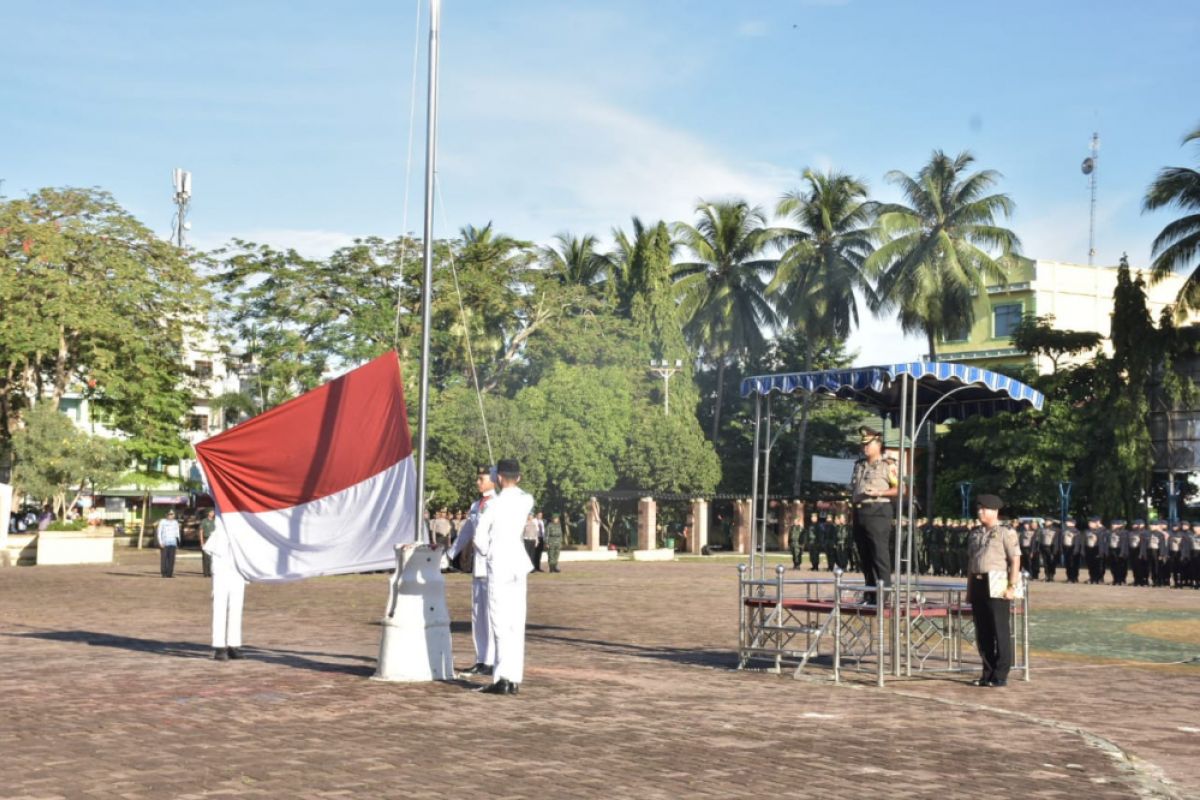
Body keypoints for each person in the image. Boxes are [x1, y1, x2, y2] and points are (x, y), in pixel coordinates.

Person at [473, 458, 535, 695]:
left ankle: (502, 679)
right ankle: (513, 677)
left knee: (499, 622)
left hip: (499, 562)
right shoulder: (526, 500)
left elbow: (479, 537)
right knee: (516, 622)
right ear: (518, 477)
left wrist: (489, 554)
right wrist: (498, 474)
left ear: (498, 478)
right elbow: (513, 488)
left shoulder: (494, 505)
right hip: (517, 563)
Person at [447, 465, 498, 676]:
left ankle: (494, 660)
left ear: (493, 481)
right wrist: (449, 554)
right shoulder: (476, 505)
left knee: (491, 614)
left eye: (481, 478)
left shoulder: (498, 504)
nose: (477, 482)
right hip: (478, 567)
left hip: (493, 565)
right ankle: (481, 658)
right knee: (478, 615)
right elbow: (467, 532)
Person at [966, 494, 1021, 688]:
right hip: (979, 583)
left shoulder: (1006, 532)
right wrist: (969, 590)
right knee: (983, 633)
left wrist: (1012, 586)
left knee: (1000, 630)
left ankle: (1000, 674)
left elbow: (1015, 560)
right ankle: (987, 673)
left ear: (994, 511)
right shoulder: (975, 533)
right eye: (979, 508)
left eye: (984, 509)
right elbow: (971, 563)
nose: (980, 512)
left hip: (997, 582)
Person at [849, 427, 898, 604]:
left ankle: (883, 595)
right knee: (864, 555)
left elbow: (900, 489)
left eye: (868, 445)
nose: (865, 448)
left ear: (878, 444)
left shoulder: (888, 465)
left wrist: (878, 492)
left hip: (878, 511)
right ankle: (870, 593)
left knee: (879, 555)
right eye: (863, 445)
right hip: (860, 511)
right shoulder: (859, 465)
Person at [203, 515, 246, 661]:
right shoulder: (219, 534)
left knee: (236, 608)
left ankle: (234, 644)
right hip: (221, 573)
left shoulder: (242, 533)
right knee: (219, 608)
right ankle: (219, 646)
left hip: (238, 573)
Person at [156, 510, 180, 578]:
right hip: (165, 542)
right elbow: (159, 532)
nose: (171, 515)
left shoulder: (175, 522)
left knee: (171, 559)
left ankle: (170, 573)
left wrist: (178, 543)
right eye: (169, 514)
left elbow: (177, 533)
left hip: (173, 542)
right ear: (166, 515)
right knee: (164, 559)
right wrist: (160, 542)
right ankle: (164, 573)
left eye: (172, 514)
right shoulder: (162, 522)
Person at [1061, 519, 1083, 583]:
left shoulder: (1076, 532)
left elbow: (1077, 542)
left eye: (1068, 522)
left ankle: (1074, 578)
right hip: (1066, 549)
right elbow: (1062, 541)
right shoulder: (1064, 531)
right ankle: (1069, 577)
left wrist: (1076, 550)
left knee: (1074, 564)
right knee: (1068, 564)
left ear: (1073, 524)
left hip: (1073, 549)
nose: (1067, 523)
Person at [198, 509, 216, 578]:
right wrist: (202, 542)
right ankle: (206, 573)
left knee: (212, 557)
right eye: (211, 512)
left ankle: (211, 572)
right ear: (208, 513)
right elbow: (201, 531)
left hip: (213, 540)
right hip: (206, 539)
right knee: (206, 557)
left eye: (213, 512)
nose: (212, 513)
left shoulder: (215, 521)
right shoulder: (204, 521)